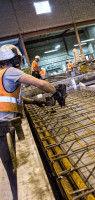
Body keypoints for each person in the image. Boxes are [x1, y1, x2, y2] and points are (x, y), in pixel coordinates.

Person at [0, 44, 62, 200]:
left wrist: (34, 102)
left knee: (12, 168)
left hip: (3, 126)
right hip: (4, 127)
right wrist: (57, 93)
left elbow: (15, 98)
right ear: (14, 60)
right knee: (16, 171)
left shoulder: (2, 75)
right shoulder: (11, 71)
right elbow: (41, 83)